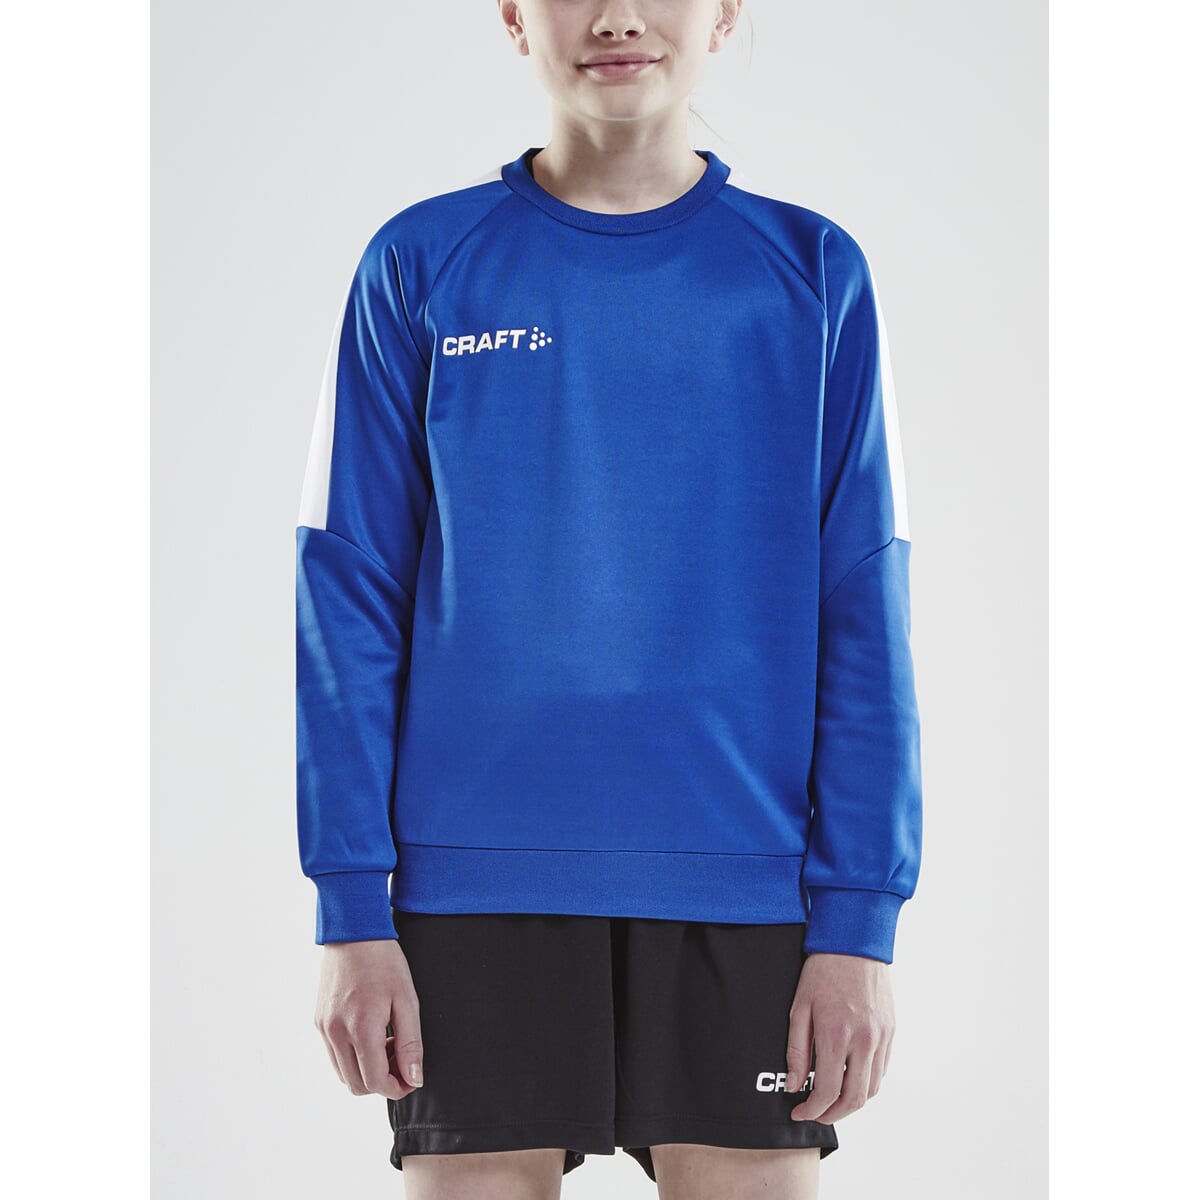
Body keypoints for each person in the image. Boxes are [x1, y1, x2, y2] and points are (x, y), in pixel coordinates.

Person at [294, 1, 922, 1197]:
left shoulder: (810, 272)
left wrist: (859, 925)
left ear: (725, 11)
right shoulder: (421, 262)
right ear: (513, 14)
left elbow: (863, 607)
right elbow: (350, 592)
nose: (620, 15)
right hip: (470, 886)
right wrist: (350, 909)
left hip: (747, 884)